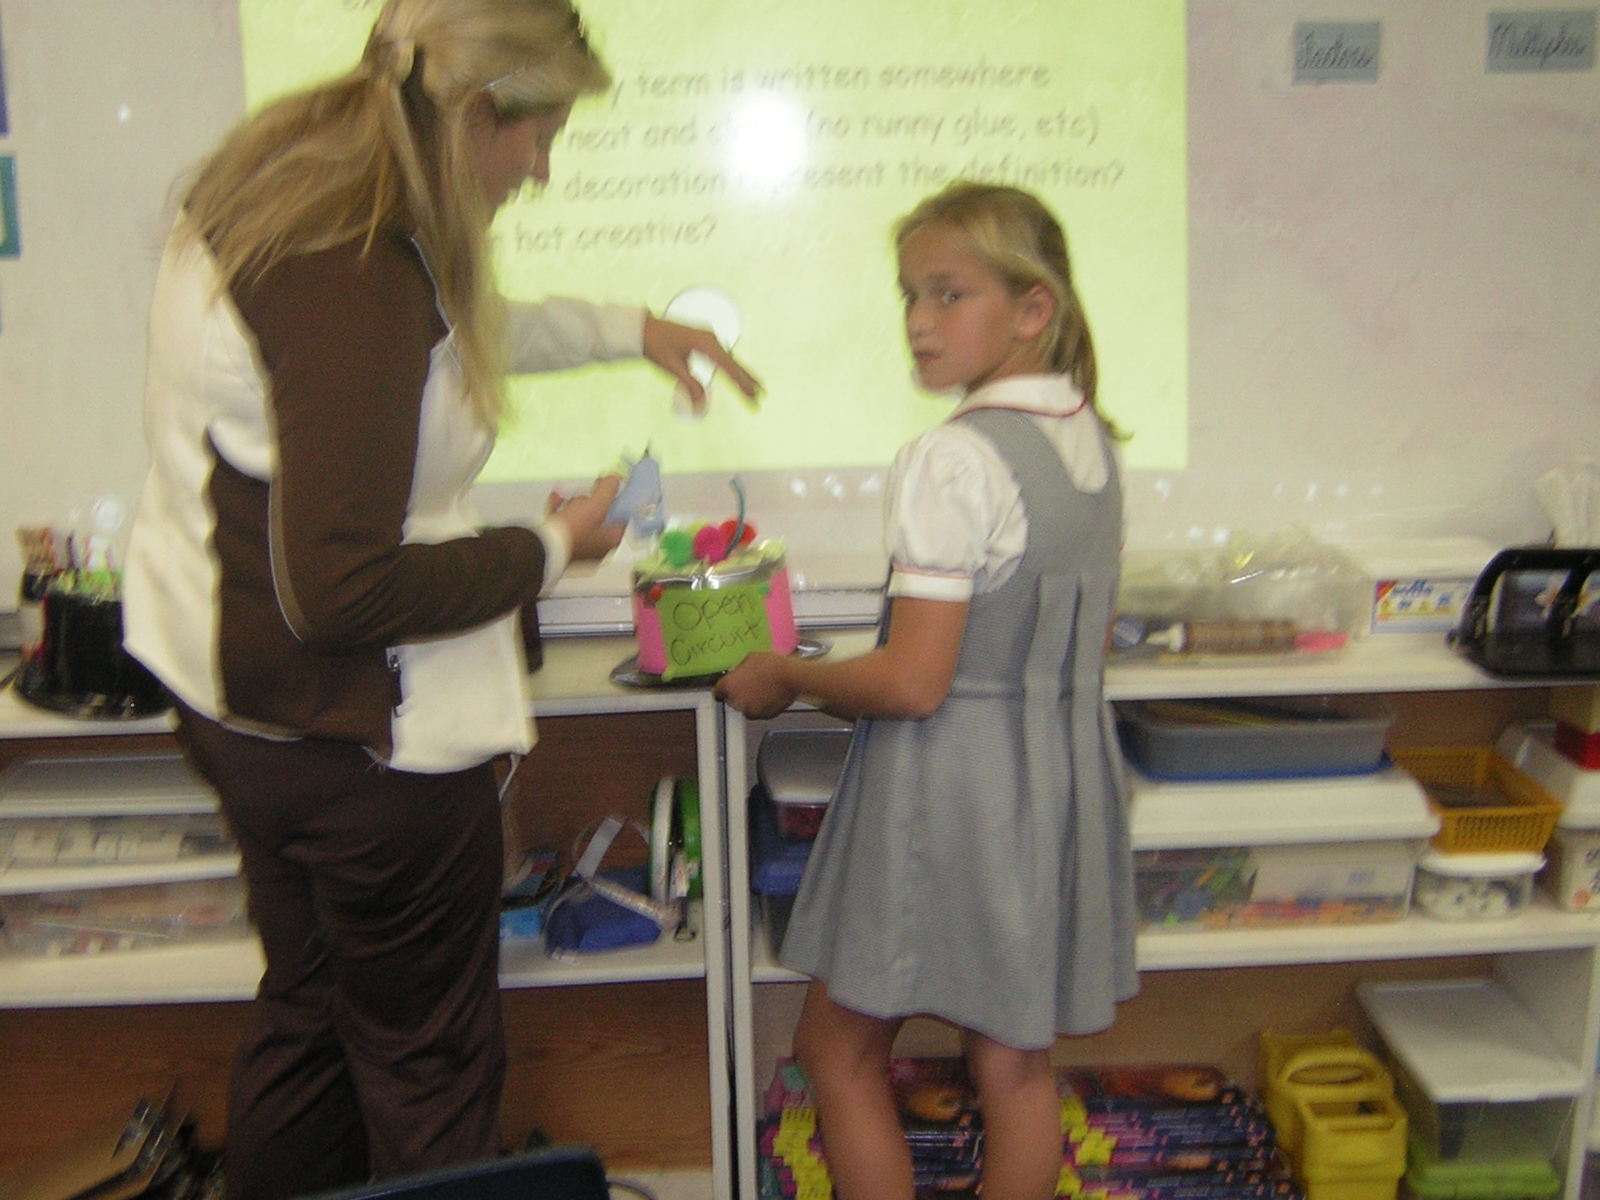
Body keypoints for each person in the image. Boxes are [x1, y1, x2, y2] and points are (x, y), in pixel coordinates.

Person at [120, 2, 758, 1197]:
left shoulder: (297, 172)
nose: (544, 169)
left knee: (309, 1021)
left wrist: (630, 329)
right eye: (540, 135)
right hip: (359, 749)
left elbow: (432, 337)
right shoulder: (352, 263)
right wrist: (550, 545)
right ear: (475, 115)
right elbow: (344, 588)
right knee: (427, 1078)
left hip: (239, 708)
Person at [715, 181, 1137, 1200]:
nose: (917, 322)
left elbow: (911, 681)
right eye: (909, 295)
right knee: (1014, 1063)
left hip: (947, 792)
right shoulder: (1090, 440)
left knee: (838, 1051)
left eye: (949, 296)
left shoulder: (951, 459)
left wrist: (783, 676)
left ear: (1032, 310)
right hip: (1059, 784)